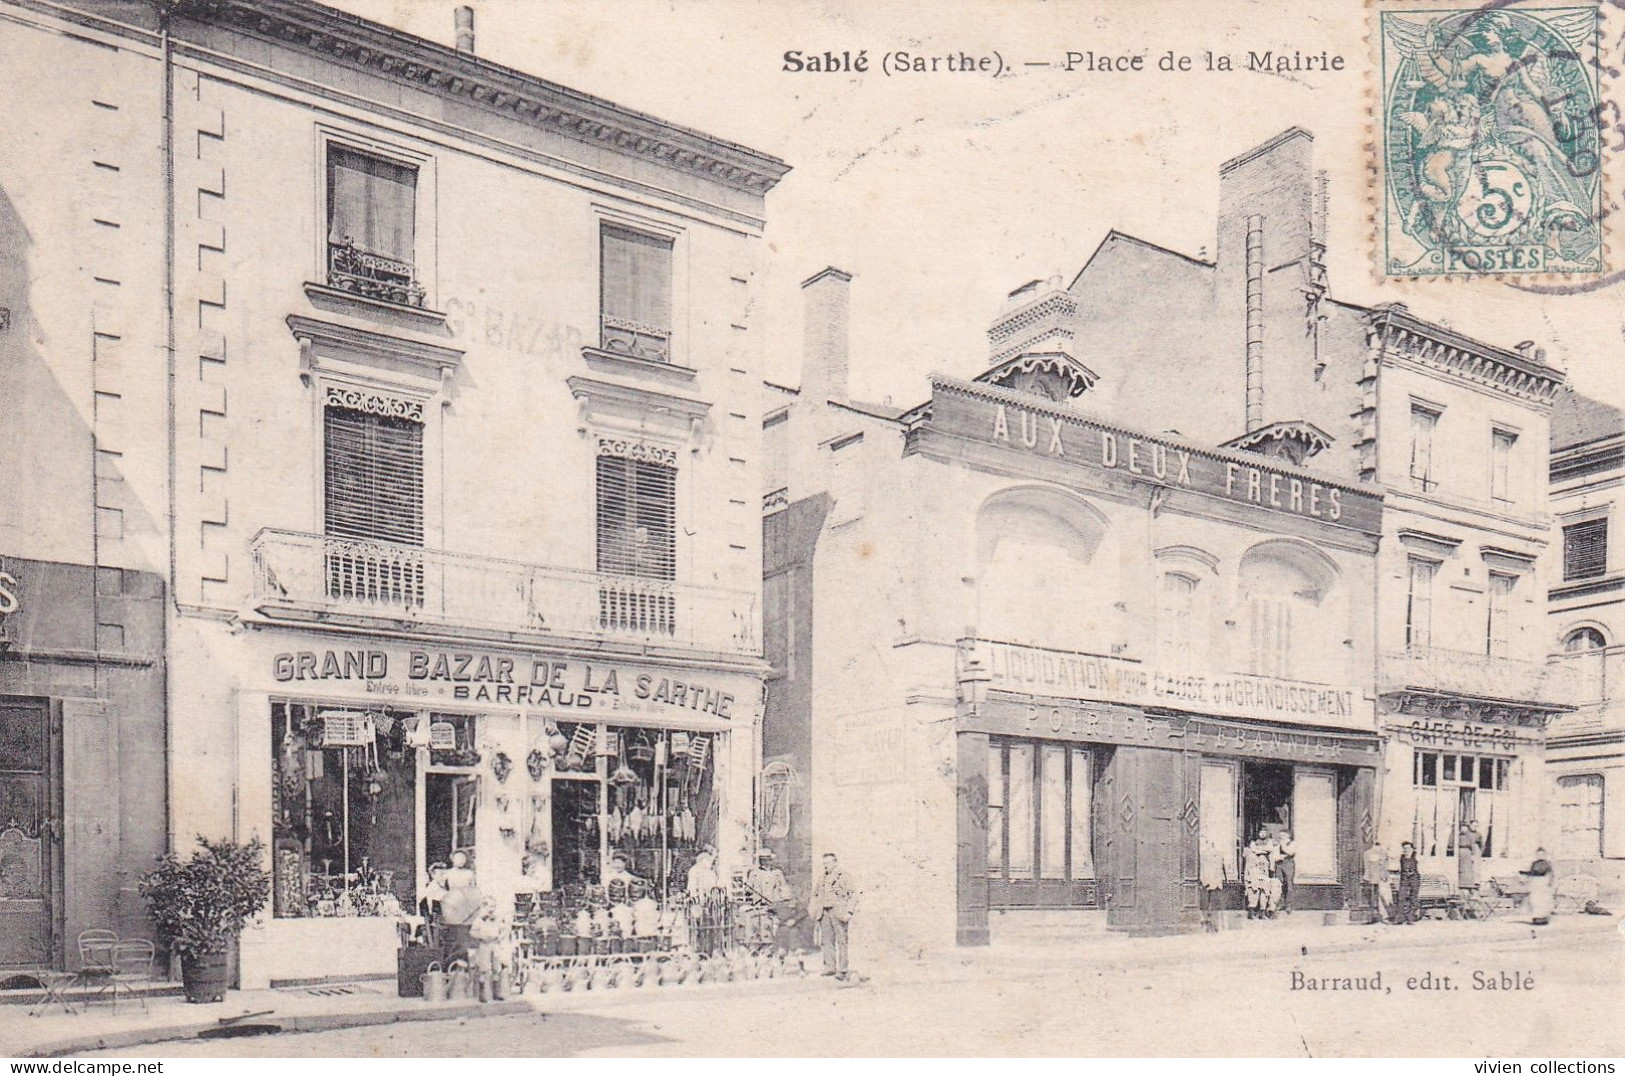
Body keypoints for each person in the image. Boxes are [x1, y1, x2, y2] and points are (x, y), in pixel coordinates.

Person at [809, 852, 858, 980]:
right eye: (824, 863)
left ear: (835, 862)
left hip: (839, 912)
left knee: (841, 940)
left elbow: (853, 894)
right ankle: (830, 967)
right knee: (827, 941)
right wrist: (814, 908)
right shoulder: (822, 878)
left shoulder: (843, 876)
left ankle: (842, 969)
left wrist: (849, 911)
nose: (826, 866)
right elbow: (815, 894)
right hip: (824, 912)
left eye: (828, 863)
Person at [1243, 833, 1276, 920]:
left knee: (1265, 892)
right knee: (1253, 891)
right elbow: (1248, 867)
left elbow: (1270, 852)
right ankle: (1251, 912)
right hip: (1253, 874)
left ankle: (1262, 912)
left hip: (1264, 874)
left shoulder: (1266, 856)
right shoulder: (1250, 854)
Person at [1363, 840, 1394, 923]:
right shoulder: (1368, 853)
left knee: (1386, 897)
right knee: (1375, 897)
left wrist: (1387, 875)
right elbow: (1366, 866)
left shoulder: (1384, 852)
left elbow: (1388, 863)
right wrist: (1367, 877)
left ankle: (1388, 915)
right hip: (1373, 878)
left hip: (1384, 878)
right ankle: (1378, 916)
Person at [1525, 847, 1556, 926]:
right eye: (1538, 854)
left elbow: (1551, 874)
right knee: (1535, 900)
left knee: (1543, 900)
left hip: (1543, 882)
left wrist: (1550, 882)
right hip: (1535, 882)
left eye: (1542, 854)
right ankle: (1536, 918)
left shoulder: (1547, 863)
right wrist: (1525, 876)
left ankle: (1543, 918)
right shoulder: (1534, 863)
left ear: (1545, 854)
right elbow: (1531, 873)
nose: (1540, 856)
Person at [1396, 841, 1422, 925]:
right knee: (1401, 897)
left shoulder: (1417, 856)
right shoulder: (1402, 857)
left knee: (1413, 899)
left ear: (1412, 849)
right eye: (1404, 848)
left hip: (1414, 880)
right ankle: (1400, 918)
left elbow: (1421, 868)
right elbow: (1399, 868)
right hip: (1404, 880)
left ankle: (1410, 918)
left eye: (1407, 848)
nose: (1406, 850)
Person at [1273, 831, 1297, 914]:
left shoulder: (1293, 843)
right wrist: (1279, 857)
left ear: (1288, 836)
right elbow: (1275, 855)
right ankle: (1280, 903)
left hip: (1288, 864)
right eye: (1280, 835)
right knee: (1280, 883)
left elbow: (1290, 852)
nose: (1281, 836)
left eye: (1283, 835)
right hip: (1279, 864)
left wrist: (1282, 845)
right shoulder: (1278, 844)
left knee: (1289, 884)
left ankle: (1288, 905)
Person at [1457, 820, 1483, 895]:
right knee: (1463, 869)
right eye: (1473, 825)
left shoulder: (1477, 835)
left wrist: (1475, 853)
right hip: (1461, 852)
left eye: (1476, 826)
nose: (1463, 829)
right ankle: (1464, 884)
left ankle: (1473, 884)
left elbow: (1479, 844)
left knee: (1473, 869)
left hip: (1471, 852)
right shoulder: (1460, 835)